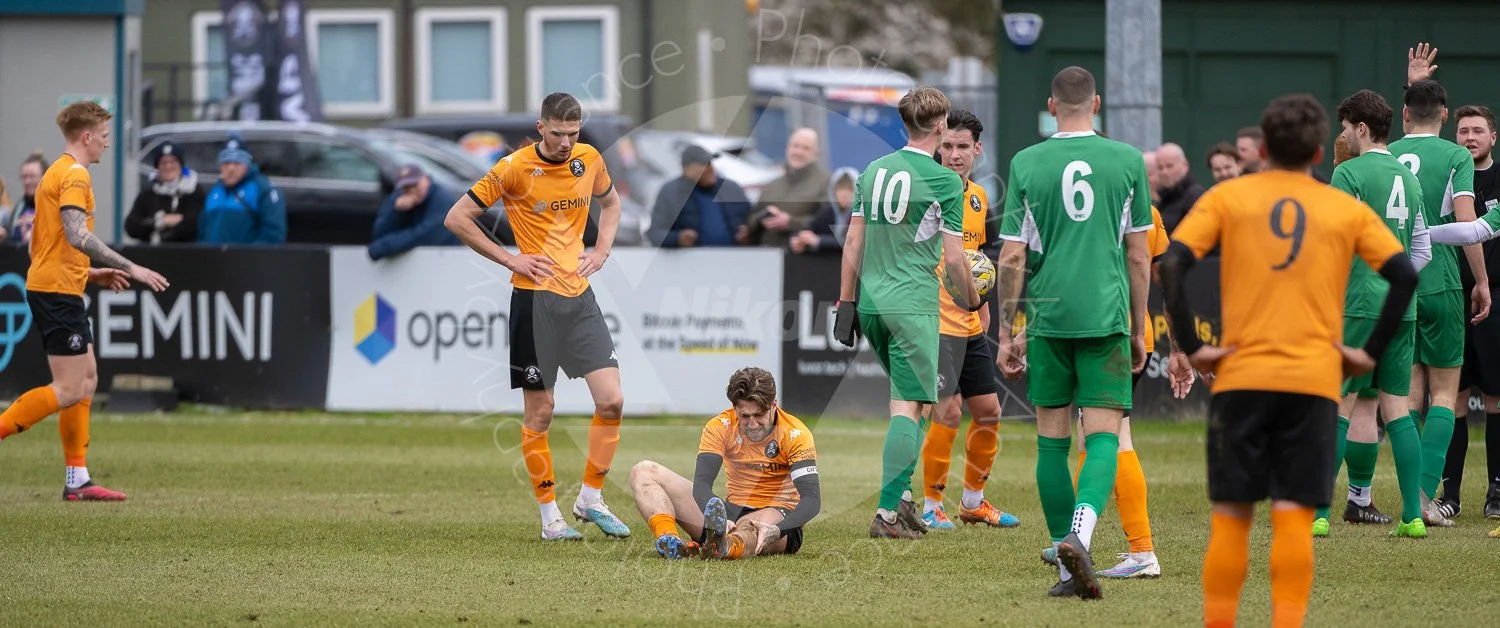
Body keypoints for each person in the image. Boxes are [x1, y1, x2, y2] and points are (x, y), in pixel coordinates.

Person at [1160, 93, 1418, 628]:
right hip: (1313, 380)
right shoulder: (1341, 206)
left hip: (1242, 378)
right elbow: (1404, 274)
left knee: (1232, 519)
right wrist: (1366, 352)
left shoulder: (1229, 198)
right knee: (1294, 521)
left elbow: (1175, 264)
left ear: (1264, 147)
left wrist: (1190, 343)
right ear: (1323, 149)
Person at [992, 67, 1152, 600]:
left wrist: (1009, 330)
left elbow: (1012, 254)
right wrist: (1137, 325)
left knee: (1051, 439)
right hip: (1106, 312)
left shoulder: (1026, 162)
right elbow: (1138, 253)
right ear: (1098, 104)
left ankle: (1066, 560)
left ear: (1051, 105)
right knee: (1103, 435)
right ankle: (1081, 535)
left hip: (1049, 315)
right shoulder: (1127, 160)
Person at [443, 92, 630, 542]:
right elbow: (458, 218)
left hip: (579, 299)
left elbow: (612, 204)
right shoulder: (512, 168)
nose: (567, 143)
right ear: (541, 126)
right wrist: (510, 259)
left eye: (574, 133)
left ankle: (590, 498)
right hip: (533, 303)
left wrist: (602, 249)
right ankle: (550, 517)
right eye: (560, 133)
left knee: (612, 401)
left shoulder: (588, 159)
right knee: (541, 411)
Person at [0, 101, 170, 500]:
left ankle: (77, 479)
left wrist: (89, 274)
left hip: (60, 285)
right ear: (87, 136)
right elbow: (78, 236)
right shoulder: (74, 175)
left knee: (87, 379)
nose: (107, 145)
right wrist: (133, 267)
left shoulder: (52, 174)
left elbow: (42, 247)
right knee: (68, 388)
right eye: (105, 137)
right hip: (56, 291)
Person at [833, 86, 979, 541]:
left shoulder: (873, 171)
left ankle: (904, 501)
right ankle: (887, 515)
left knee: (911, 404)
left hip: (872, 302)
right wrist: (973, 298)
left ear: (904, 124)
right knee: (910, 407)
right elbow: (955, 261)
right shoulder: (945, 182)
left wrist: (845, 302)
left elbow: (853, 241)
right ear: (940, 127)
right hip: (913, 304)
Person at [1312, 90, 1433, 539]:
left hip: (1357, 303)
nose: (1342, 136)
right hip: (1401, 309)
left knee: (1338, 405)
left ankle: (1319, 513)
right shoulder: (1409, 177)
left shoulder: (1348, 175)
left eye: (1345, 128)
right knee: (1397, 409)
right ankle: (1413, 516)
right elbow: (1421, 248)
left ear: (1361, 129)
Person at [1392, 49, 1490, 528]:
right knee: (1445, 395)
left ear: (1406, 113)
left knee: (1408, 398)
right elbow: (1468, 221)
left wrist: (1411, 83)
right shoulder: (1455, 155)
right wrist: (1484, 281)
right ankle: (1427, 500)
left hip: (1396, 285)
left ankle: (1409, 502)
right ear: (1448, 117)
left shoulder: (1385, 154)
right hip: (1442, 281)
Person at [911, 109, 1019, 532]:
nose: (955, 155)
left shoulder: (978, 198)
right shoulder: (925, 192)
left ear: (978, 149)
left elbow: (979, 259)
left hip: (969, 322)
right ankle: (931, 504)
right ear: (937, 146)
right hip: (933, 321)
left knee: (989, 411)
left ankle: (973, 501)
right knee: (948, 411)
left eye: (963, 147)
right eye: (948, 146)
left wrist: (985, 306)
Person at [630, 367, 820, 559]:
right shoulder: (720, 426)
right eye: (745, 416)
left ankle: (726, 547)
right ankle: (670, 541)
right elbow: (702, 485)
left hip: (779, 520)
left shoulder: (796, 434)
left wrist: (777, 530)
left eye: (759, 415)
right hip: (728, 515)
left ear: (774, 405)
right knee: (643, 471)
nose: (752, 424)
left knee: (749, 525)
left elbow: (812, 501)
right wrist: (720, 521)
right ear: (734, 407)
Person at [1436, 104, 1500, 522]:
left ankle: (1496, 492)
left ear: (1492, 137)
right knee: (1452, 397)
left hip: (1497, 297)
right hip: (1450, 295)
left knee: (1495, 398)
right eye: (1463, 131)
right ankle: (1450, 494)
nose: (1470, 137)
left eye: (1478, 130)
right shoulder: (1446, 176)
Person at [647, 145, 752, 248]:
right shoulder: (671, 193)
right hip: (691, 261)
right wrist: (678, 238)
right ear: (687, 169)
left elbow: (752, 221)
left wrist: (749, 233)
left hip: (734, 258)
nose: (710, 169)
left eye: (710, 163)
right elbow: (655, 233)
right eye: (703, 165)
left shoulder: (731, 189)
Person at [746, 128, 830, 247]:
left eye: (806, 148)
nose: (798, 152)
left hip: (805, 258)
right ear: (787, 148)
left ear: (816, 154)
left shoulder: (826, 184)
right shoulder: (771, 186)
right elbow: (751, 221)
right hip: (768, 255)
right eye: (795, 146)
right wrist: (762, 219)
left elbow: (829, 222)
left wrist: (790, 222)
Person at [198, 134, 287, 244]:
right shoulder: (215, 192)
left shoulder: (263, 189)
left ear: (247, 164)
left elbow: (273, 234)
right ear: (220, 166)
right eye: (226, 163)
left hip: (243, 259)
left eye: (237, 163)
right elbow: (203, 231)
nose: (231, 168)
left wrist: (248, 257)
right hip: (212, 259)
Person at [367, 164, 459, 261]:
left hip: (442, 260)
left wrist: (384, 247)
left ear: (426, 179)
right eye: (406, 187)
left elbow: (427, 236)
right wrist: (397, 212)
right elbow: (379, 235)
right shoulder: (398, 197)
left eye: (415, 184)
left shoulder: (442, 198)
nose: (411, 190)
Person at [125, 141, 203, 244]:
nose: (168, 166)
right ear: (157, 168)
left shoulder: (193, 191)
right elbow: (131, 226)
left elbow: (193, 225)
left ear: (181, 165)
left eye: (173, 162)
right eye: (164, 163)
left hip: (186, 254)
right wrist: (160, 222)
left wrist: (163, 233)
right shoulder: (148, 195)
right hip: (152, 254)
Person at [790, 167, 859, 254]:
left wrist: (818, 241)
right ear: (833, 191)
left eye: (850, 189)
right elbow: (808, 228)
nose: (844, 194)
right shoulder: (826, 212)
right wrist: (799, 240)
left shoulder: (862, 214)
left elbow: (852, 242)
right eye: (840, 189)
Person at [1155, 142, 1206, 233]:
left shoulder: (1194, 196)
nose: (1164, 172)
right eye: (1160, 167)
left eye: (1169, 166)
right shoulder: (1164, 197)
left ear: (1185, 165)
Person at [1, 152, 47, 247]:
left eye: (32, 176)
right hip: (19, 260)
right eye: (24, 177)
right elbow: (13, 238)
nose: (27, 181)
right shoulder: (19, 208)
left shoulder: (53, 206)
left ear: (45, 177)